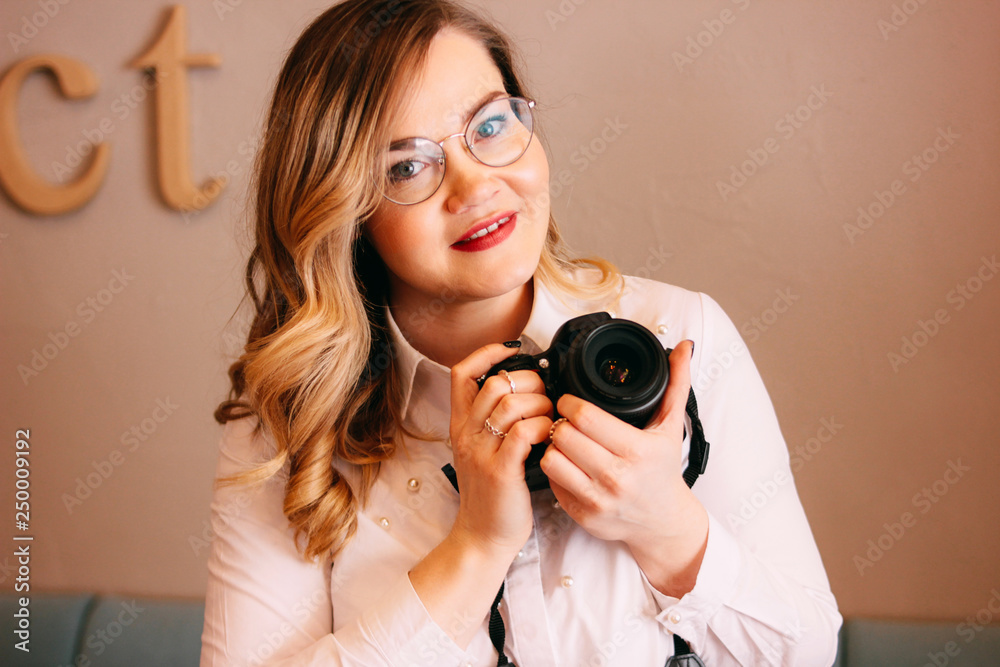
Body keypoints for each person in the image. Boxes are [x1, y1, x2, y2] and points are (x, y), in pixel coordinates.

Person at [200, 1, 842, 665]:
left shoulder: (681, 334)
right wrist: (475, 546)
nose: (476, 184)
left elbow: (806, 651)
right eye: (407, 166)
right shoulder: (286, 422)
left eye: (491, 123)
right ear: (346, 211)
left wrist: (666, 526)